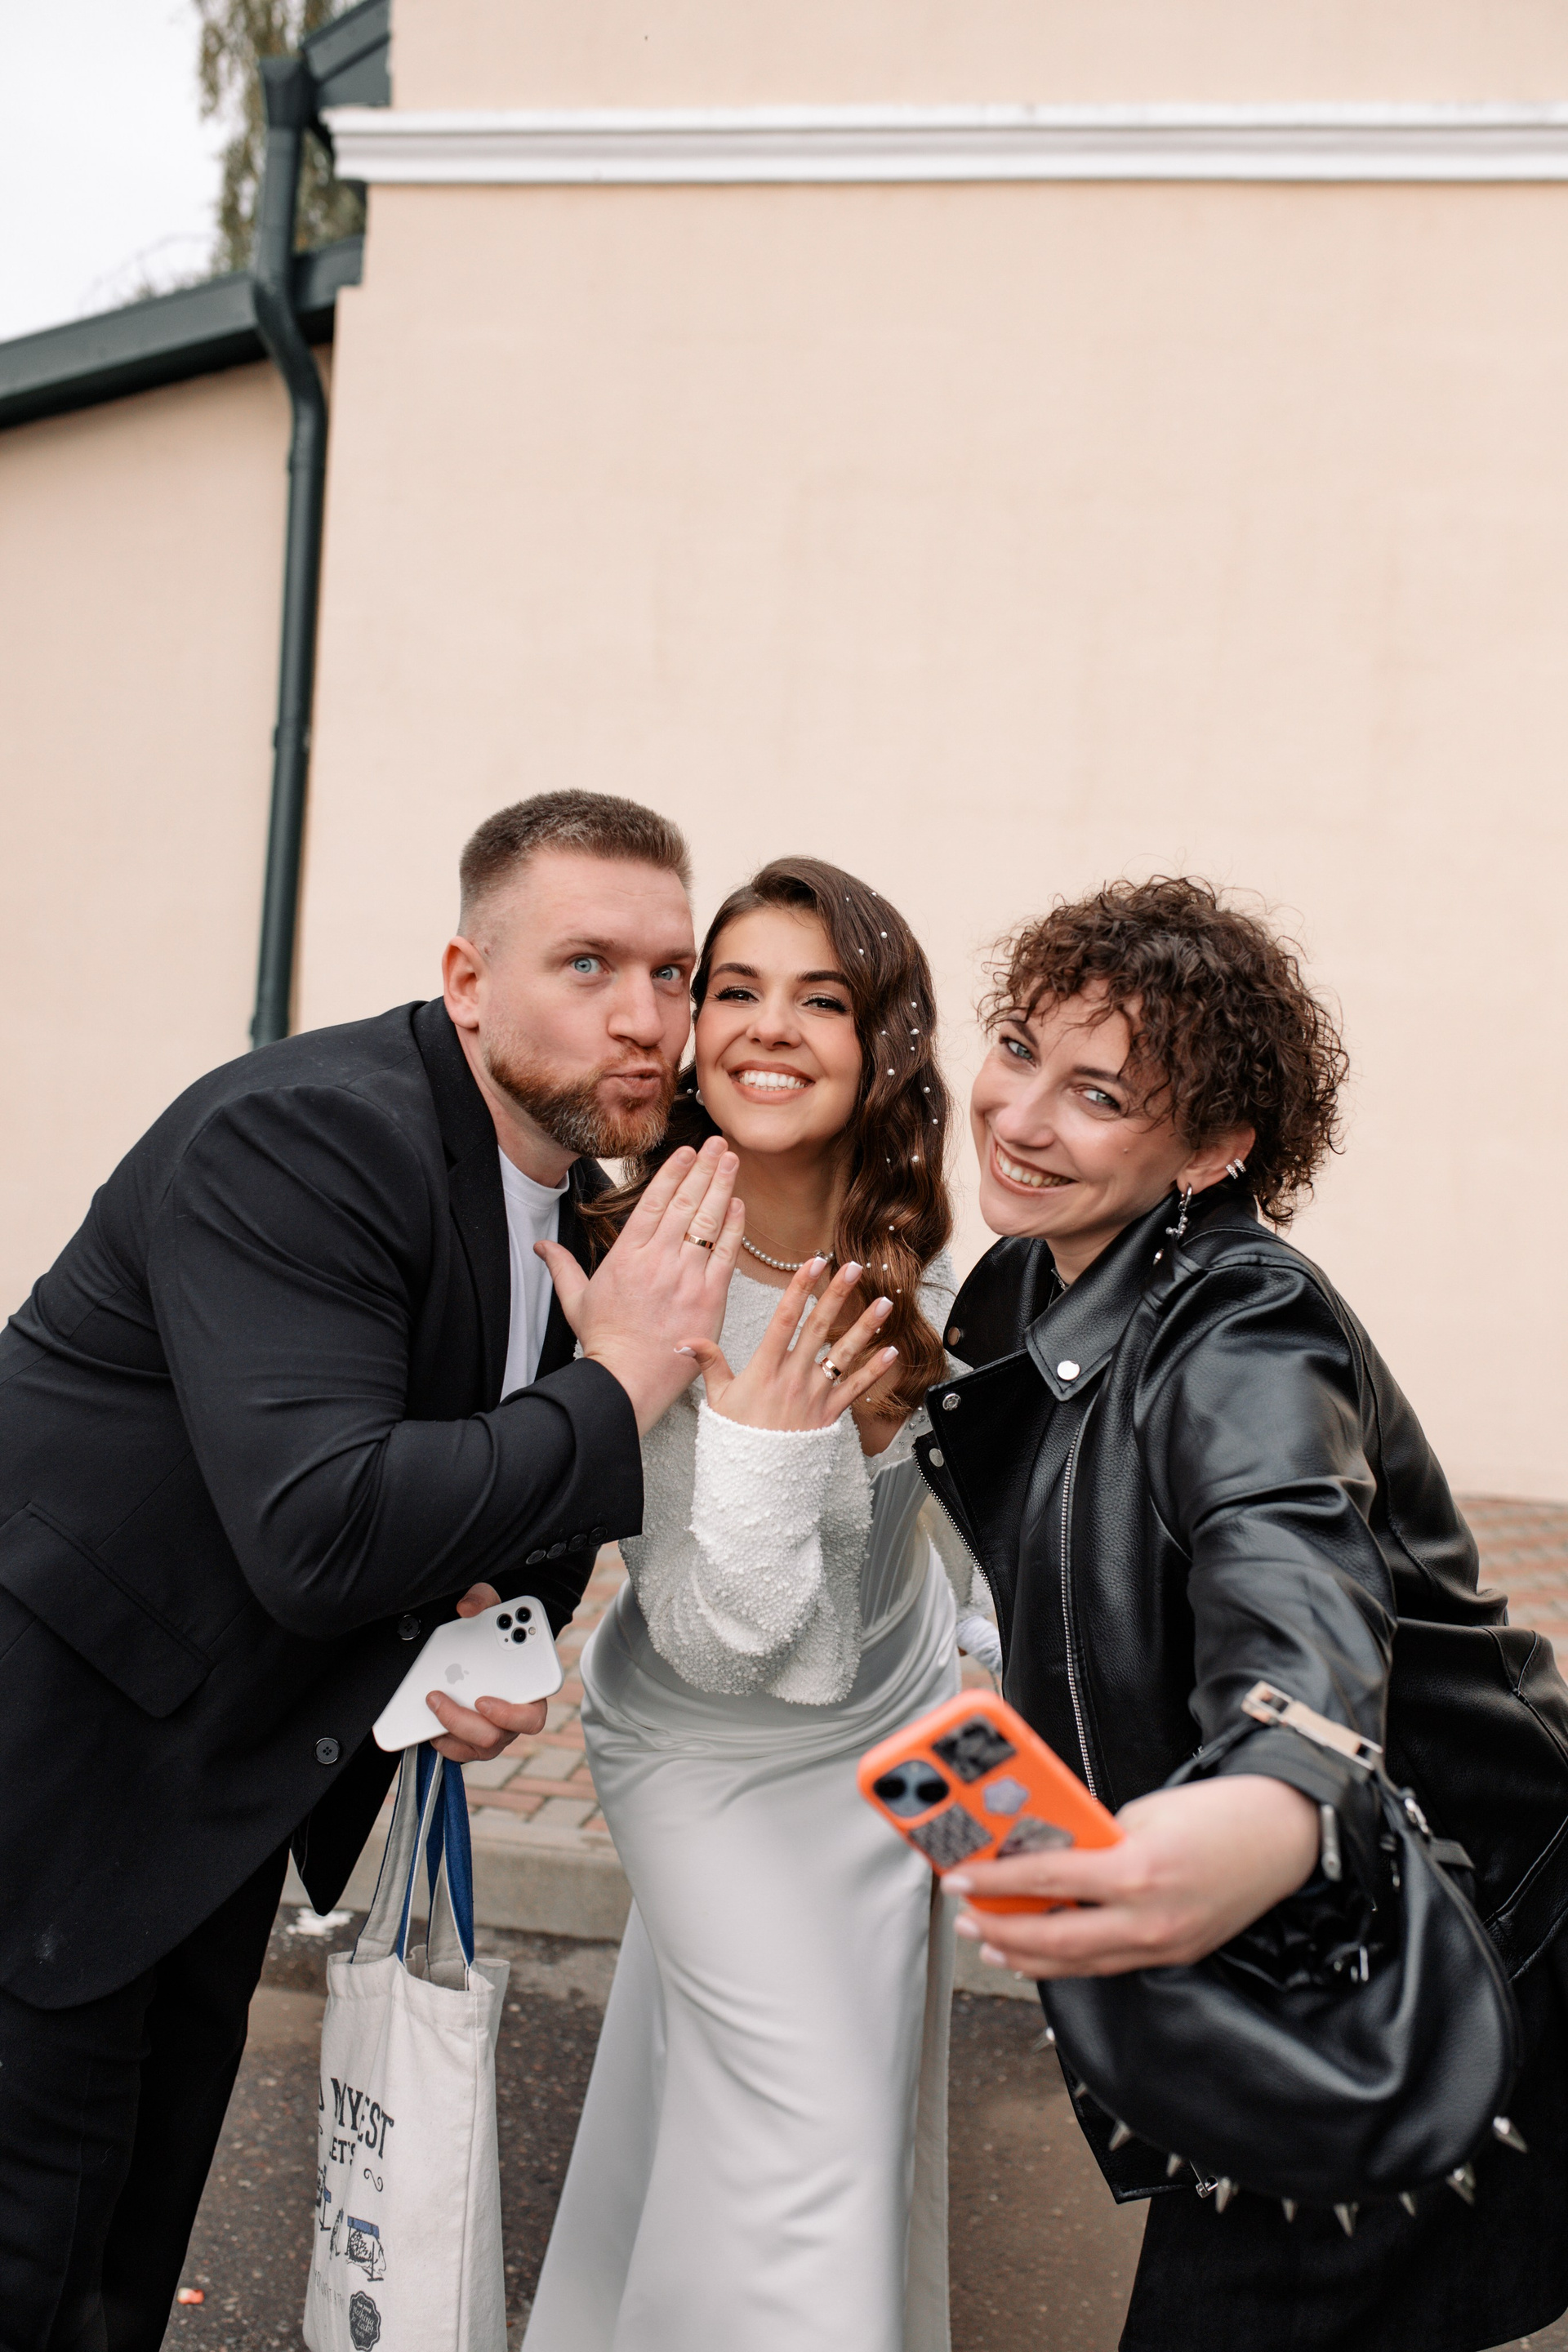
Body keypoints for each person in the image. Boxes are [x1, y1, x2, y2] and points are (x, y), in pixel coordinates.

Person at [0, 789, 748, 2352]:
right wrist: (619, 1381)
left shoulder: (568, 1195)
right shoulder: (306, 1136)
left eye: (672, 974)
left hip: (208, 1800)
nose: (646, 1018)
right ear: (468, 981)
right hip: (53, 1787)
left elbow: (489, 1526)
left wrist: (470, 1655)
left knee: (114, 2270)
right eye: (589, 965)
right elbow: (326, 1523)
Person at [919, 876, 1568, 2351]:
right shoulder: (1026, 1278)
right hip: (1286, 1936)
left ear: (1214, 1151)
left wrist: (1279, 1792)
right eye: (1017, 1047)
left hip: (1431, 1937)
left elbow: (1291, 1574)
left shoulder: (1247, 1328)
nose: (1021, 1116)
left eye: (1099, 1095)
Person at [523, 859, 979, 2352]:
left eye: (820, 999)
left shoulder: (925, 1248)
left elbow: (952, 1525)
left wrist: (981, 1702)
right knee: (806, 2151)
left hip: (907, 1722)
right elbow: (727, 1641)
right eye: (735, 991)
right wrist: (770, 1452)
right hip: (711, 1750)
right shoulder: (635, 1260)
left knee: (834, 2096)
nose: (770, 1027)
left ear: (880, 1043)